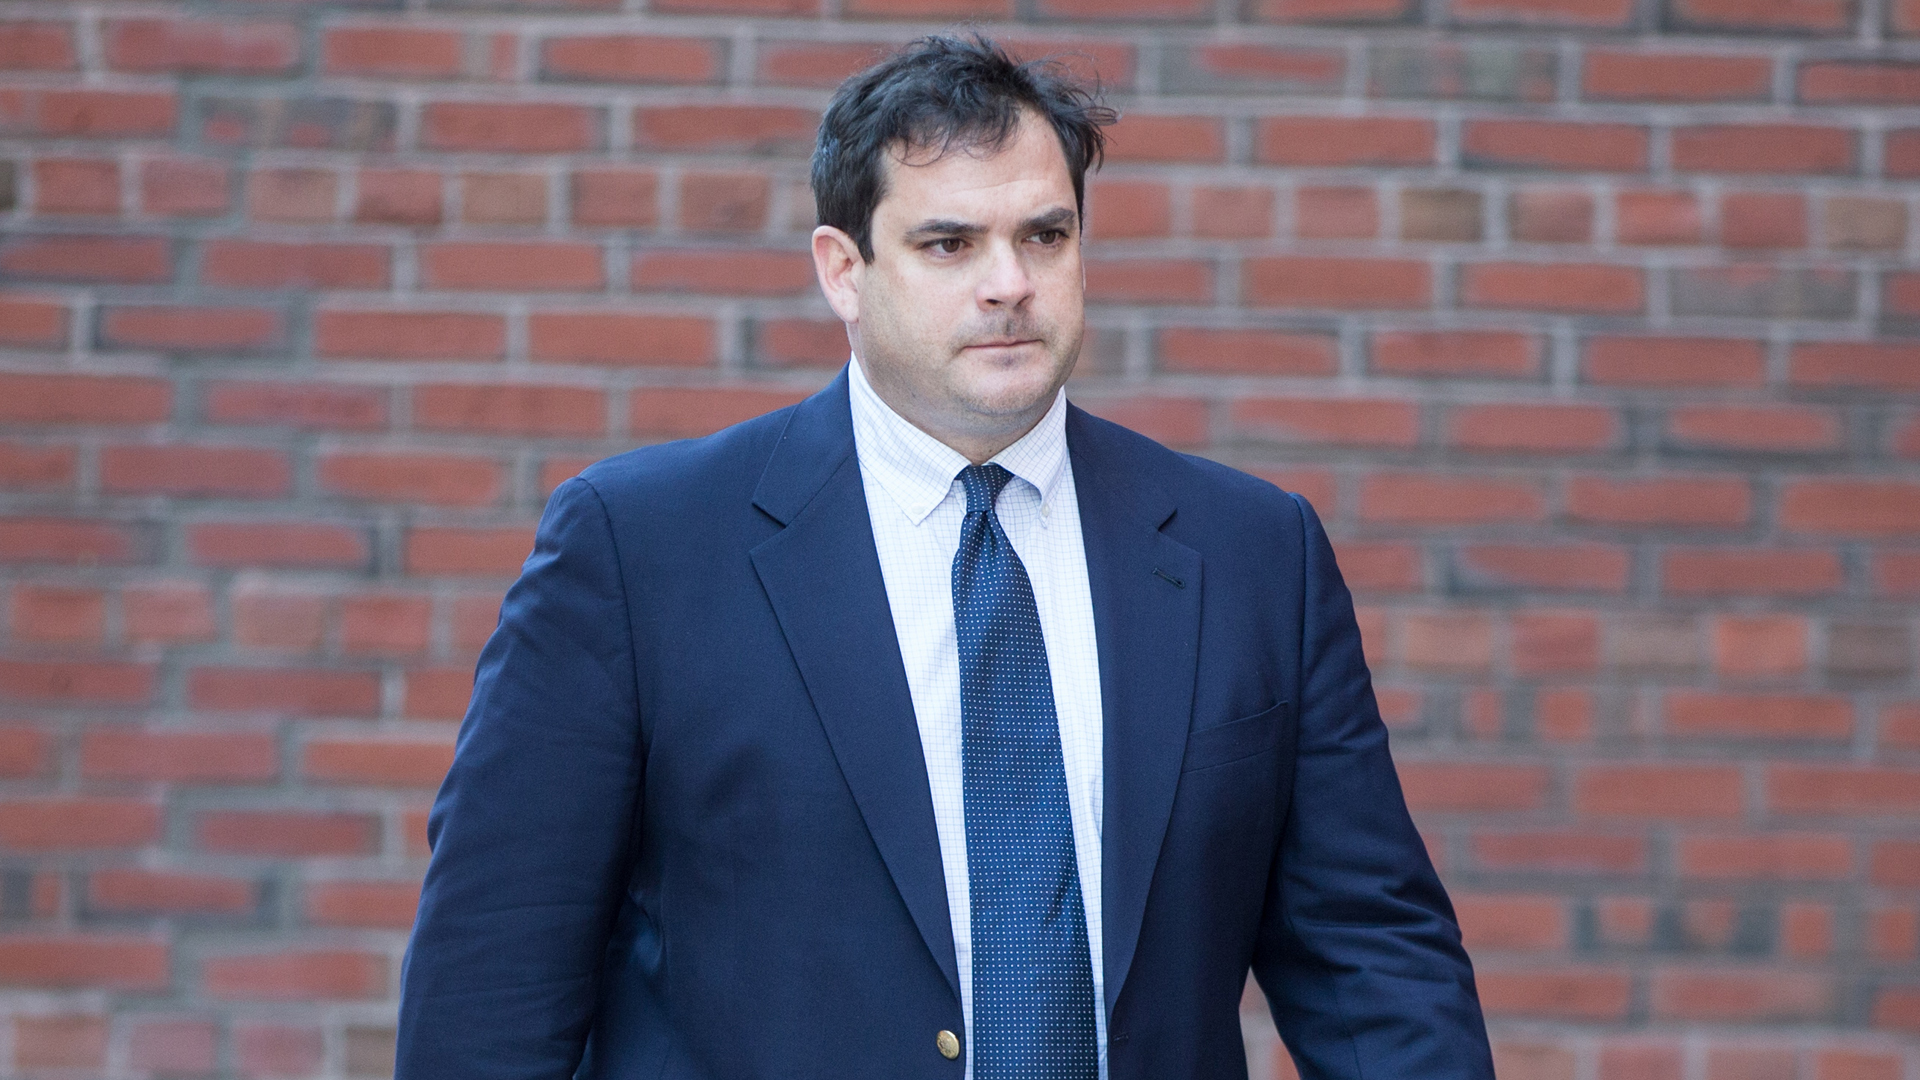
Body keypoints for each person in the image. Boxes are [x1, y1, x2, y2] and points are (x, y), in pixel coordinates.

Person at [396, 33, 1494, 1080]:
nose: (1008, 281)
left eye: (1044, 236)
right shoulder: (643, 549)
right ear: (844, 271)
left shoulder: (1252, 553)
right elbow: (494, 978)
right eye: (949, 243)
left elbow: (1371, 961)